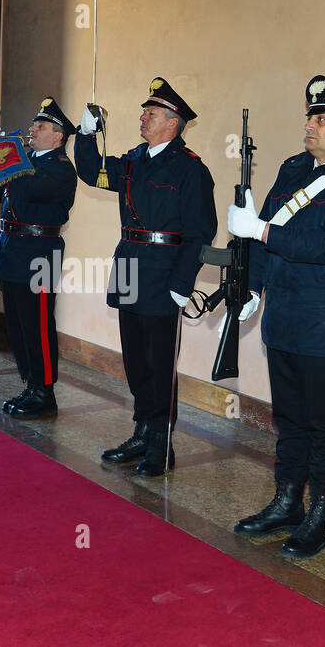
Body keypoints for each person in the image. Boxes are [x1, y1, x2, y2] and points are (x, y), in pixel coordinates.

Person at [226, 77, 325, 560]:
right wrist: (252, 286)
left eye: (322, 119)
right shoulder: (293, 168)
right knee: (289, 417)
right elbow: (260, 237)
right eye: (310, 117)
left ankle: (321, 511)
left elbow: (324, 246)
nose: (310, 125)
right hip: (285, 314)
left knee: (324, 421)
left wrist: (261, 230)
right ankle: (287, 500)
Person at [75, 77, 217, 476]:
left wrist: (182, 285)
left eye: (150, 113)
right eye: (144, 111)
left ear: (173, 122)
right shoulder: (134, 160)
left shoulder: (191, 170)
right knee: (136, 359)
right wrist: (87, 133)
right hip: (130, 266)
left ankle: (161, 441)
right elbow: (91, 172)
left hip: (163, 274)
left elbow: (200, 232)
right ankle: (141, 430)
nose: (143, 117)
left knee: (159, 363)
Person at [0, 98, 79, 419]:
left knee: (38, 324)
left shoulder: (60, 168)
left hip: (39, 253)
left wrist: (3, 155)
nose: (32, 130)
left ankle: (45, 391)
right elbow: (0, 189)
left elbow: (27, 188)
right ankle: (30, 384)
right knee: (15, 323)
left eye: (39, 126)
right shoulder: (26, 159)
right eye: (34, 125)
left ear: (57, 135)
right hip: (11, 248)